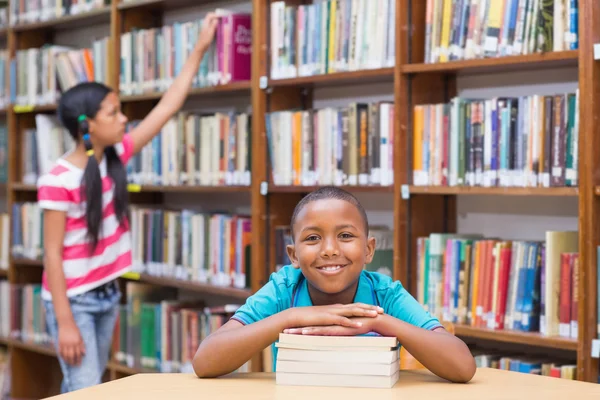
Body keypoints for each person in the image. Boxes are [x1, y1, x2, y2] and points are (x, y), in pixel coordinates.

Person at [37, 13, 220, 393]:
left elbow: (167, 108)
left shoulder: (116, 156)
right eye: (113, 113)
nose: (124, 119)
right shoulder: (57, 179)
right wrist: (66, 321)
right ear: (86, 125)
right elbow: (52, 255)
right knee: (84, 389)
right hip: (74, 301)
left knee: (94, 385)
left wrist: (200, 47)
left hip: (107, 292)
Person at [192, 186, 477, 383]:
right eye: (313, 238)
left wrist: (378, 323)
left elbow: (463, 367)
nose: (329, 250)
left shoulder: (385, 293)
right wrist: (289, 317)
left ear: (368, 250)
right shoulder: (284, 289)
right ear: (293, 255)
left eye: (345, 236)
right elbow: (205, 362)